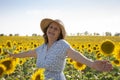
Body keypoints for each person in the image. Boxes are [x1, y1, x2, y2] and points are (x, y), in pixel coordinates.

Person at [9, 18, 113, 80]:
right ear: (46, 30)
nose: (52, 30)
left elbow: (74, 54)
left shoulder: (62, 44)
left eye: (56, 29)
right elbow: (28, 53)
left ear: (59, 33)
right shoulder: (42, 48)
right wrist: (14, 55)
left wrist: (92, 64)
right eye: (50, 27)